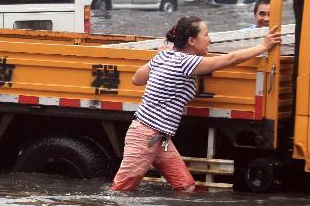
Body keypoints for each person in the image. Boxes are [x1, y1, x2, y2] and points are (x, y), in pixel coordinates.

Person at [111, 16, 281, 192]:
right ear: (192, 40)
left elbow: (136, 79)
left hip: (160, 138)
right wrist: (263, 47)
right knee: (122, 190)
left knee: (186, 188)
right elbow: (229, 59)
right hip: (145, 136)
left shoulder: (165, 56)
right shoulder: (186, 62)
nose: (210, 39)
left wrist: (159, 60)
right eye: (206, 35)